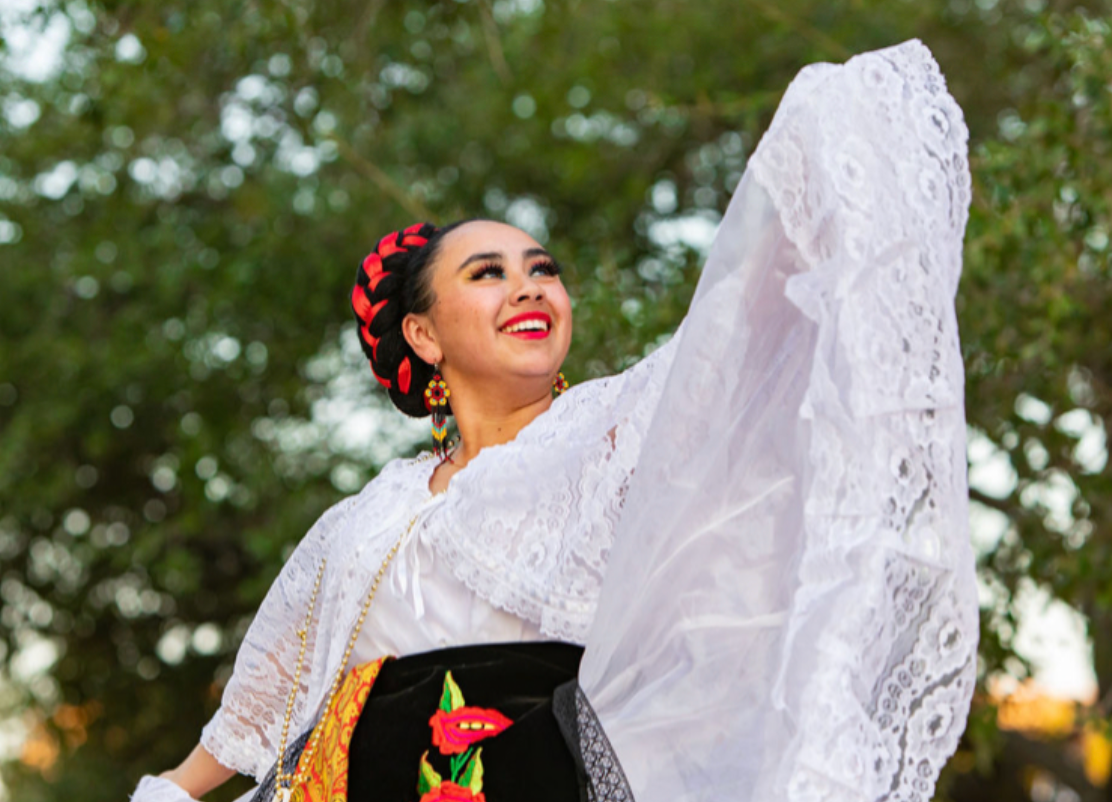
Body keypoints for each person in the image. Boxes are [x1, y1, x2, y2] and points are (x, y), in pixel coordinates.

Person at [132, 38, 978, 802]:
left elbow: (733, 339)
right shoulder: (368, 514)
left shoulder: (610, 433)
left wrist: (823, 155)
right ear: (424, 335)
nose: (530, 287)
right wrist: (172, 791)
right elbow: (267, 698)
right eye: (488, 274)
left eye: (543, 269)